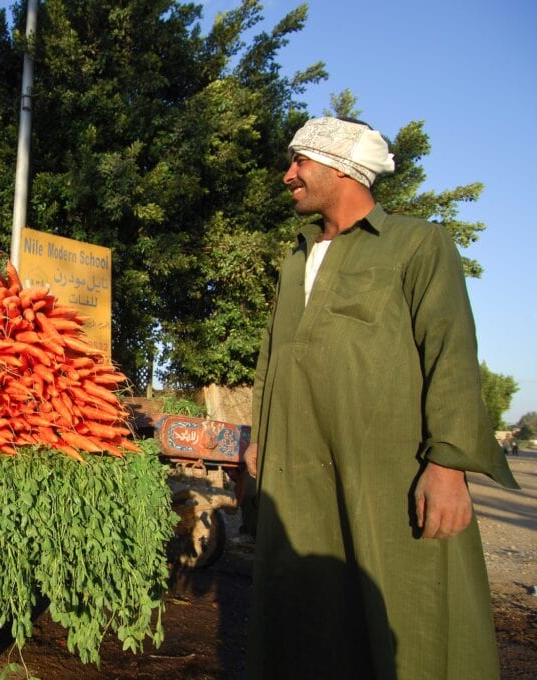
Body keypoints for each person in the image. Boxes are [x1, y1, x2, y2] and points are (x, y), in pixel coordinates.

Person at [244, 116, 519, 679]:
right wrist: (259, 440)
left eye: (300, 161)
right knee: (303, 608)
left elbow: (450, 352)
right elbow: (272, 359)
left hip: (386, 472)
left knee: (402, 604)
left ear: (342, 167)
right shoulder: (295, 257)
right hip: (296, 469)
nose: (288, 174)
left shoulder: (418, 243)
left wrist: (447, 466)